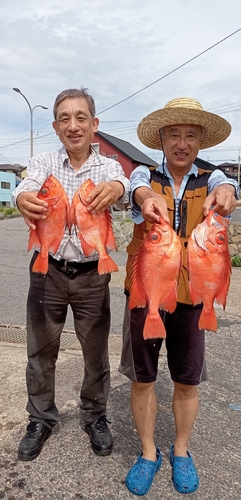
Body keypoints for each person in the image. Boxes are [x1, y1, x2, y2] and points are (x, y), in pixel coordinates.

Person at [119, 97, 238, 496]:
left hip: (192, 298)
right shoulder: (144, 173)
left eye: (190, 135)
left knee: (187, 381)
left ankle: (181, 451)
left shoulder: (213, 175)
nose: (182, 143)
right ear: (162, 139)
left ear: (201, 141)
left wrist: (227, 190)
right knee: (143, 378)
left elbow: (229, 184)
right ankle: (149, 452)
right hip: (147, 293)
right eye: (174, 135)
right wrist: (144, 198)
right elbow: (134, 185)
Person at [12, 88, 130, 461]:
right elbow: (27, 185)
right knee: (41, 351)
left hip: (94, 273)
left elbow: (122, 184)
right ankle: (40, 419)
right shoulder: (45, 160)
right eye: (65, 118)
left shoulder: (108, 166)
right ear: (56, 125)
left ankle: (94, 415)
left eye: (81, 117)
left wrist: (116, 187)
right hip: (47, 271)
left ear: (94, 125)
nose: (73, 125)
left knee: (95, 351)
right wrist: (20, 198)